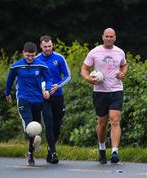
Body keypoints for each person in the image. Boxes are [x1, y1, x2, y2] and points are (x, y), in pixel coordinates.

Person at [81, 28, 128, 164]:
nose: (108, 38)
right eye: (106, 36)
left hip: (116, 90)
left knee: (115, 120)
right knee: (102, 124)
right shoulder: (94, 52)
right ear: (102, 37)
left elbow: (124, 65)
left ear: (115, 38)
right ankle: (102, 148)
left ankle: (114, 152)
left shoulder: (120, 52)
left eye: (111, 36)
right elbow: (84, 68)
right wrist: (88, 79)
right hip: (100, 92)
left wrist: (122, 73)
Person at [5, 42, 53, 166]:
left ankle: (30, 154)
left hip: (38, 100)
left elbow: (49, 79)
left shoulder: (41, 65)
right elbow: (10, 80)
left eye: (32, 56)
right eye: (27, 56)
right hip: (23, 99)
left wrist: (47, 90)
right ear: (23, 53)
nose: (30, 58)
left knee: (35, 129)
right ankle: (34, 143)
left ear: (35, 54)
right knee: (29, 125)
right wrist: (7, 93)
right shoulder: (16, 66)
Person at [36, 35, 71, 164]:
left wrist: (59, 85)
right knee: (49, 124)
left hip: (58, 95)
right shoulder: (36, 60)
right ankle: (54, 152)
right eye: (45, 47)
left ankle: (50, 150)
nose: (47, 49)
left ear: (52, 45)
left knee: (57, 125)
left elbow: (68, 76)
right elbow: (31, 78)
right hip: (44, 97)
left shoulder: (59, 58)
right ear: (40, 46)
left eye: (49, 46)